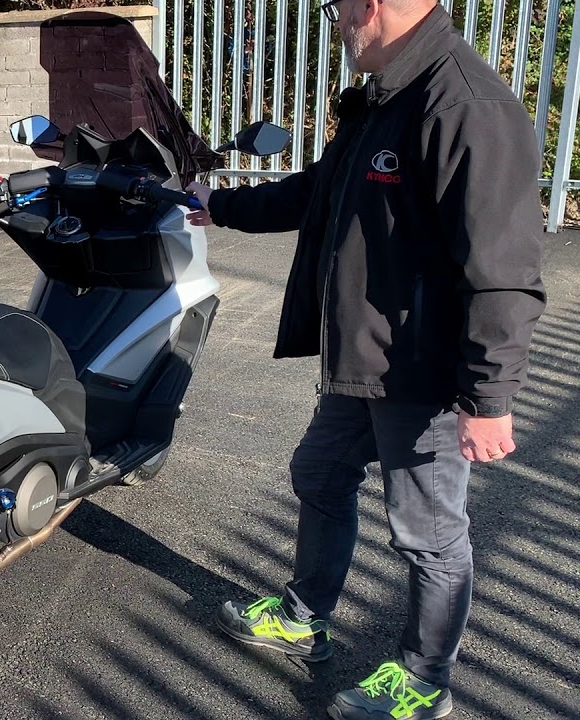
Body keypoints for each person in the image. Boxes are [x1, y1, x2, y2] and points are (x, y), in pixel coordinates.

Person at [184, 1, 546, 718]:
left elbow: (504, 270)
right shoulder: (386, 98)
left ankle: (424, 681)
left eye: (338, 7)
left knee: (428, 533)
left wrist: (490, 397)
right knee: (320, 473)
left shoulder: (464, 104)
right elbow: (319, 191)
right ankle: (304, 617)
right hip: (366, 358)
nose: (337, 23)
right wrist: (220, 207)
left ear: (370, 6)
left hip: (423, 371)